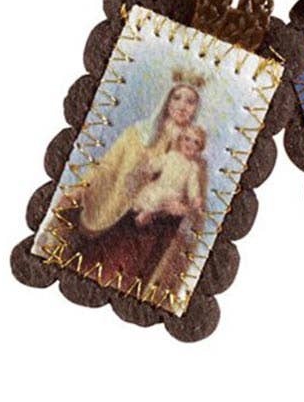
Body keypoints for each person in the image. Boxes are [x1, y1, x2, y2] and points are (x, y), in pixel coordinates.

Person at [51, 77, 207, 306]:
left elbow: (197, 203)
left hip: (158, 233)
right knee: (100, 269)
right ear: (167, 101)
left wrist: (181, 208)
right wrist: (81, 188)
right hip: (122, 217)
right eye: (177, 98)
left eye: (190, 101)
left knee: (131, 284)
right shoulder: (138, 134)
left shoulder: (195, 158)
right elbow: (108, 167)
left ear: (195, 109)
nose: (182, 105)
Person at [131, 126, 206, 226]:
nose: (190, 144)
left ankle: (146, 214)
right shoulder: (172, 156)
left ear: (199, 149)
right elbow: (158, 163)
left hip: (174, 194)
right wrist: (149, 166)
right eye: (187, 139)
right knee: (148, 193)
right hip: (160, 185)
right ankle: (142, 211)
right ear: (180, 141)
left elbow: (193, 185)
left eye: (196, 142)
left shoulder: (192, 167)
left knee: (159, 198)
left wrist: (195, 197)